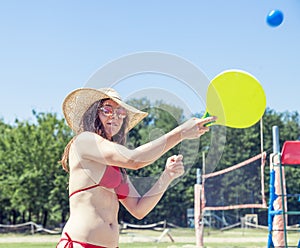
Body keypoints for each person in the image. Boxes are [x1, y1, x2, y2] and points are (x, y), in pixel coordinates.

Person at [56, 87, 216, 248]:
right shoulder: (84, 140)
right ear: (93, 114)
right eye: (107, 110)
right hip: (79, 243)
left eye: (120, 112)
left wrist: (167, 176)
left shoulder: (115, 165)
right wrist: (180, 132)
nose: (115, 116)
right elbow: (134, 159)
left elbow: (138, 209)